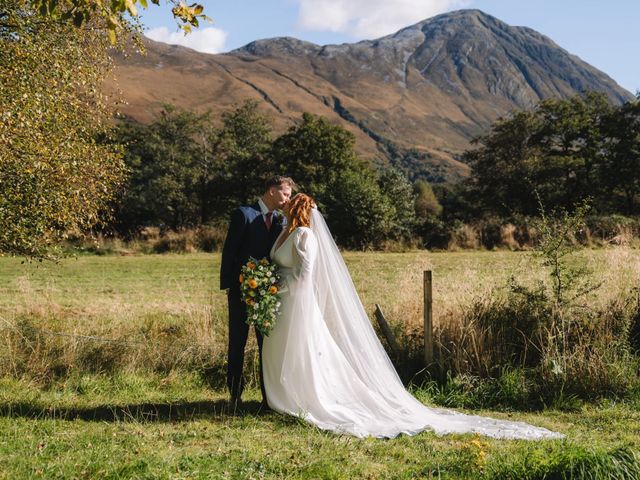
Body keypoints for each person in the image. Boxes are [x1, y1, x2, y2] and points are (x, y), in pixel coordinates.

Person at [263, 193, 564, 439]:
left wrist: (284, 292)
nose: (285, 206)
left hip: (295, 302)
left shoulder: (304, 235)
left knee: (304, 349)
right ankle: (287, 394)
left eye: (290, 203)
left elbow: (306, 274)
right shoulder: (287, 232)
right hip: (282, 301)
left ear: (298, 208)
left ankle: (304, 397)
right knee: (289, 349)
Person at [220, 176, 294, 408]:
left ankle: (268, 397)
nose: (288, 199)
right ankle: (235, 395)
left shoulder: (281, 221)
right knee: (237, 344)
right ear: (271, 191)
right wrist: (233, 286)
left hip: (269, 294)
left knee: (268, 346)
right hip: (242, 292)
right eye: (285, 194)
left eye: (290, 195)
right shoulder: (244, 214)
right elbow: (230, 252)